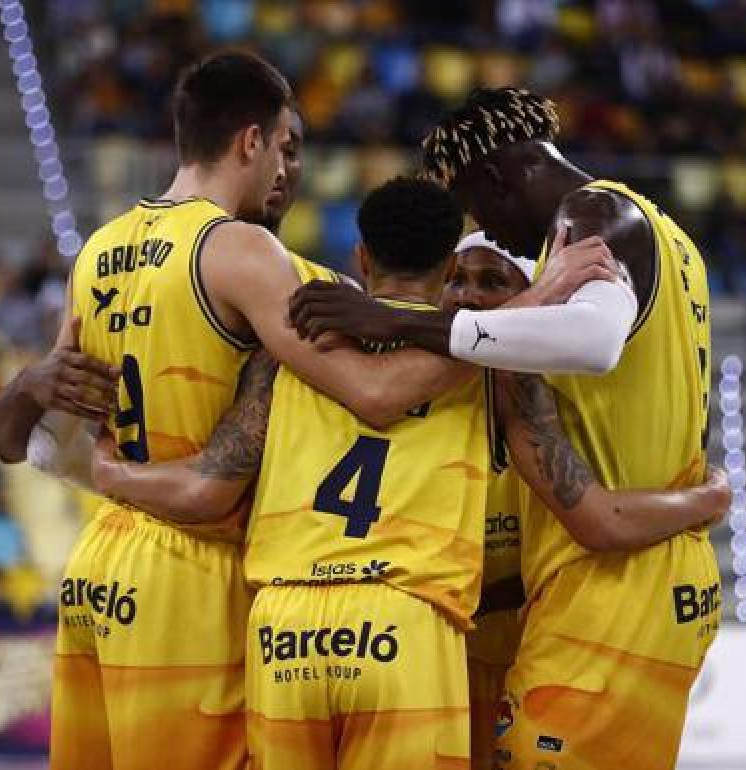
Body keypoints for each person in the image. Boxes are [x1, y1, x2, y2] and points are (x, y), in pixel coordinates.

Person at [0, 53, 561, 770]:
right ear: (249, 142)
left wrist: (27, 390)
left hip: (102, 563)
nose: (289, 170)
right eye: (286, 148)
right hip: (194, 566)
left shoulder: (98, 251)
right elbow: (375, 392)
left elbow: (34, 446)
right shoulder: (246, 253)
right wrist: (521, 314)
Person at [88, 178, 728, 769]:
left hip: (284, 631)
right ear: (450, 266)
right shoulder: (497, 371)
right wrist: (707, 497)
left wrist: (106, 474)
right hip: (406, 629)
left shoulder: (287, 353)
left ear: (361, 259)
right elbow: (595, 516)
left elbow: (208, 485)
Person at [289, 87, 720, 770]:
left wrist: (400, 320)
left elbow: (596, 339)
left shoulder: (593, 211)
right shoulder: (671, 238)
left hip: (618, 576)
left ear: (496, 177)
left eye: (476, 204)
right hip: (644, 565)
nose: (483, 225)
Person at [442, 233, 536, 770]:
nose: (468, 296)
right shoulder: (422, 396)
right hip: (449, 662)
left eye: (492, 282)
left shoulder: (562, 401)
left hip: (537, 659)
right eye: (457, 279)